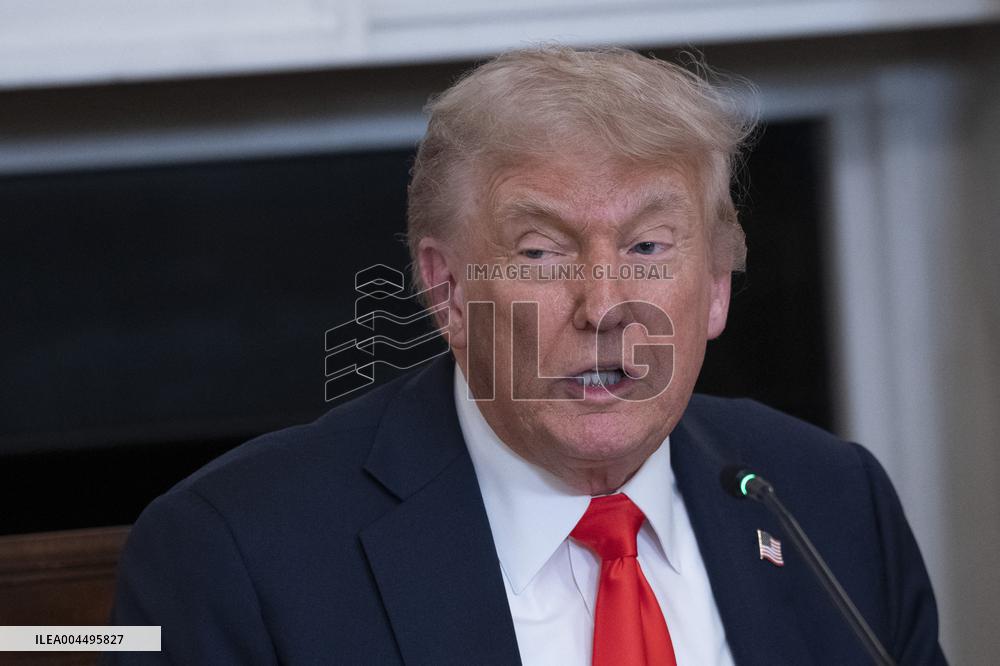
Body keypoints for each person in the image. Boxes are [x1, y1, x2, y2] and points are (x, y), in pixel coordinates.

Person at [106, 46, 946, 665]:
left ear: (718, 285)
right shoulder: (238, 555)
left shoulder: (831, 503)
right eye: (542, 253)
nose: (604, 304)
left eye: (649, 246)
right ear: (447, 292)